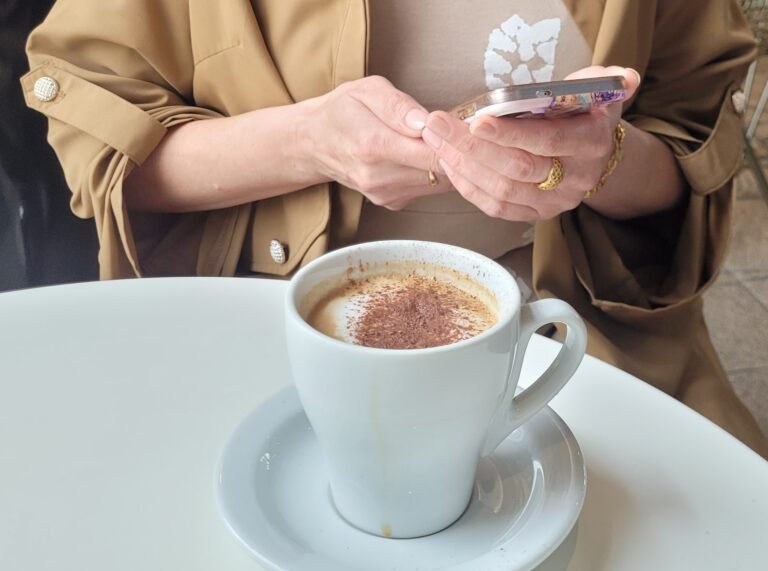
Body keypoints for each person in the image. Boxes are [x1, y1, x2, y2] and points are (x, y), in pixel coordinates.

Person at [21, 0, 767, 456]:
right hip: (262, 332)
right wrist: (309, 142)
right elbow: (100, 146)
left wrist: (603, 161)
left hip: (578, 339)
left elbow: (692, 147)